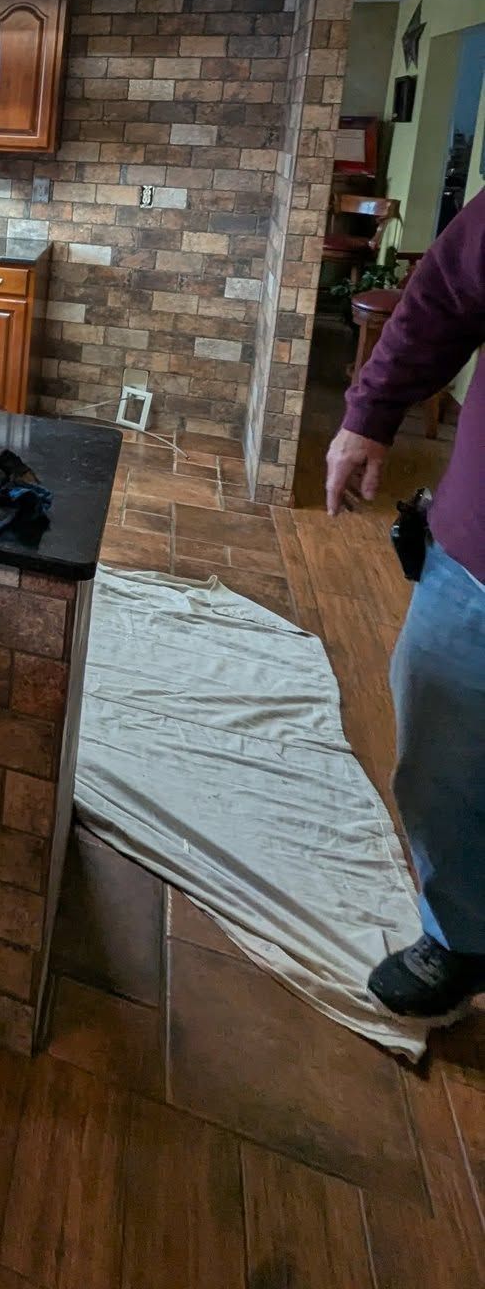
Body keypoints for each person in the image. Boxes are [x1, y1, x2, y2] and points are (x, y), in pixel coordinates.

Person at [326, 186, 485, 1020]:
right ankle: (459, 936)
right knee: (439, 761)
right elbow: (441, 300)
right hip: (477, 552)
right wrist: (369, 414)